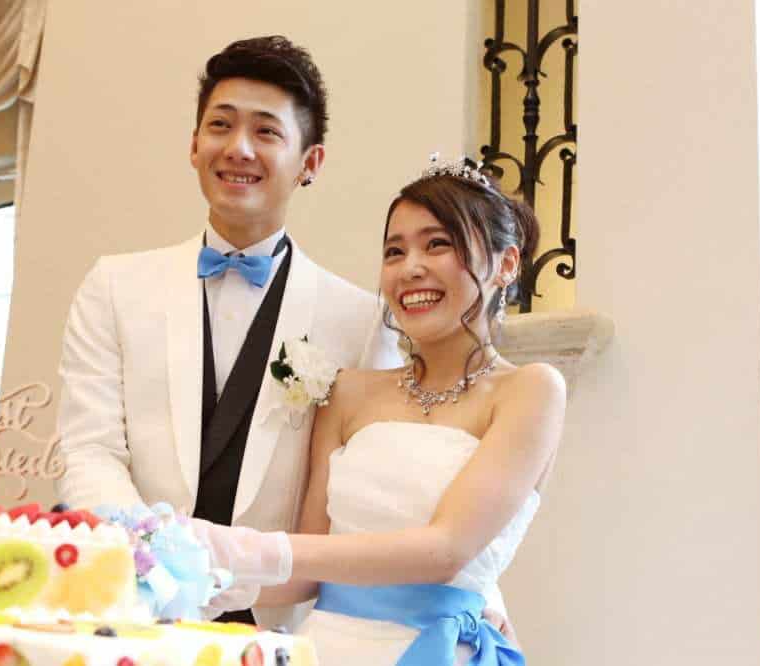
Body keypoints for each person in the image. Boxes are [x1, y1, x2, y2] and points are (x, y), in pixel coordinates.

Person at [53, 36, 399, 628]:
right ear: (194, 145)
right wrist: (152, 566)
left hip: (275, 625)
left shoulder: (361, 319)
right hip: (132, 609)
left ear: (310, 162)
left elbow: (370, 492)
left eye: (266, 131)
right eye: (221, 125)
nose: (238, 148)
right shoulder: (113, 287)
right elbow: (89, 450)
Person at [202, 157, 566, 664]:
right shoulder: (349, 392)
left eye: (437, 244)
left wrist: (250, 547)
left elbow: (445, 550)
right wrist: (203, 577)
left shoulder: (530, 391)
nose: (410, 267)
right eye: (394, 251)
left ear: (506, 264)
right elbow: (307, 572)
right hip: (326, 648)